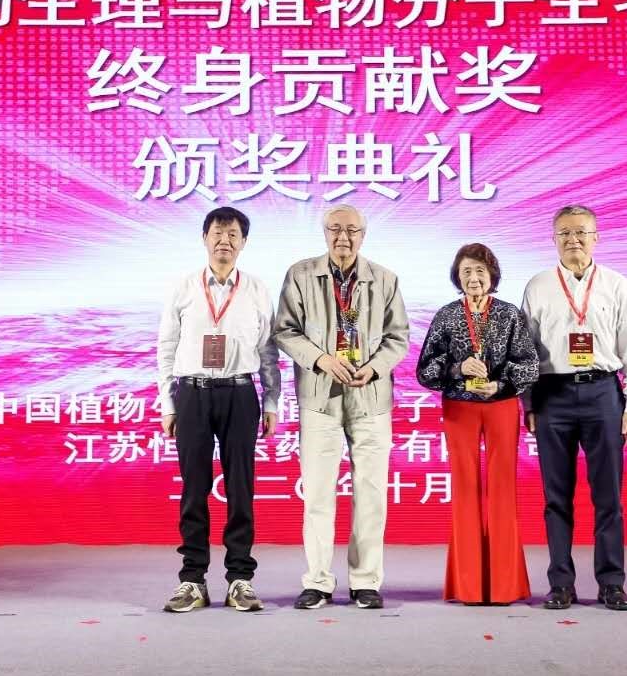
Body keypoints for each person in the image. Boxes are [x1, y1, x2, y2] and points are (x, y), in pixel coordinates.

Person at [274, 204, 409, 610]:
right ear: (324, 233)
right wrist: (320, 359)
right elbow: (285, 330)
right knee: (317, 492)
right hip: (320, 399)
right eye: (335, 229)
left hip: (371, 399)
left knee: (371, 494)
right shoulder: (300, 275)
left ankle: (365, 581)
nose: (343, 237)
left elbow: (398, 338)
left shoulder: (385, 279)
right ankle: (317, 581)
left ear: (363, 235)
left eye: (351, 230)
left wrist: (374, 367)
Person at [521, 205, 627, 611]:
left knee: (608, 496)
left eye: (580, 232)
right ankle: (561, 583)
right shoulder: (538, 286)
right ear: (553, 239)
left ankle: (612, 583)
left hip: (603, 394)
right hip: (552, 396)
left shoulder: (616, 285)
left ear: (596, 238)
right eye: (564, 233)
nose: (572, 240)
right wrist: (528, 402)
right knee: (555, 497)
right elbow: (526, 351)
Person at [156, 206, 280, 613]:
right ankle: (192, 579)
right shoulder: (184, 287)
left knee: (241, 488)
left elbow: (268, 351)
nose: (224, 241)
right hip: (192, 393)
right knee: (194, 488)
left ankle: (240, 579)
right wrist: (168, 403)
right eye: (217, 233)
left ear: (244, 243)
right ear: (204, 238)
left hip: (240, 393)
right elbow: (167, 347)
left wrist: (271, 401)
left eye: (233, 235)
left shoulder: (257, 289)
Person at [416, 243, 539, 605]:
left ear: (492, 276)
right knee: (465, 490)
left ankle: (504, 586)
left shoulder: (509, 314)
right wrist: (458, 368)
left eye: (480, 271)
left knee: (502, 491)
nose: (473, 278)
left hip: (501, 405)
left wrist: (500, 384)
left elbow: (529, 365)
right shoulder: (446, 315)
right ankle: (468, 586)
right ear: (457, 277)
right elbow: (426, 370)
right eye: (466, 271)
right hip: (459, 408)